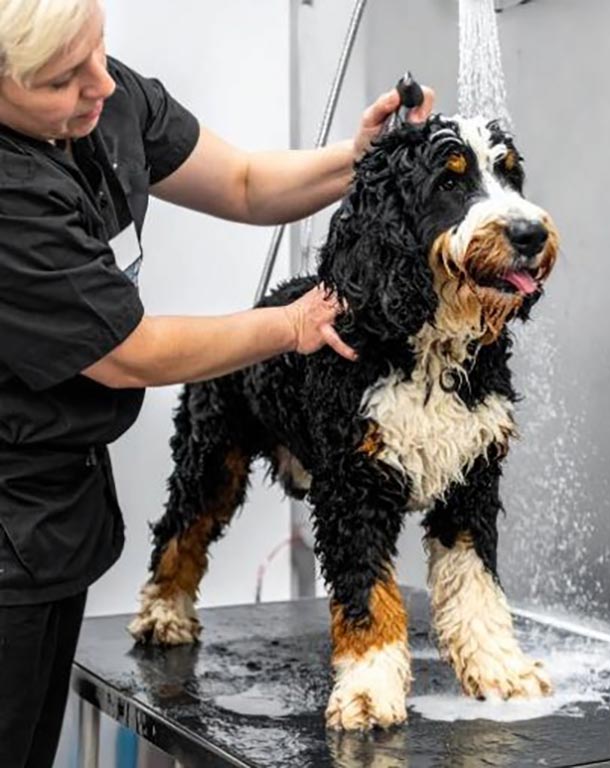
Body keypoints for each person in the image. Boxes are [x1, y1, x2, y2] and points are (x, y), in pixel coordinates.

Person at [0, 1, 434, 765]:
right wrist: (287, 327)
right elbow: (127, 351)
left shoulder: (105, 97)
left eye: (100, 51)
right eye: (66, 78)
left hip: (59, 508)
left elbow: (241, 181)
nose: (102, 84)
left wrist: (358, 157)